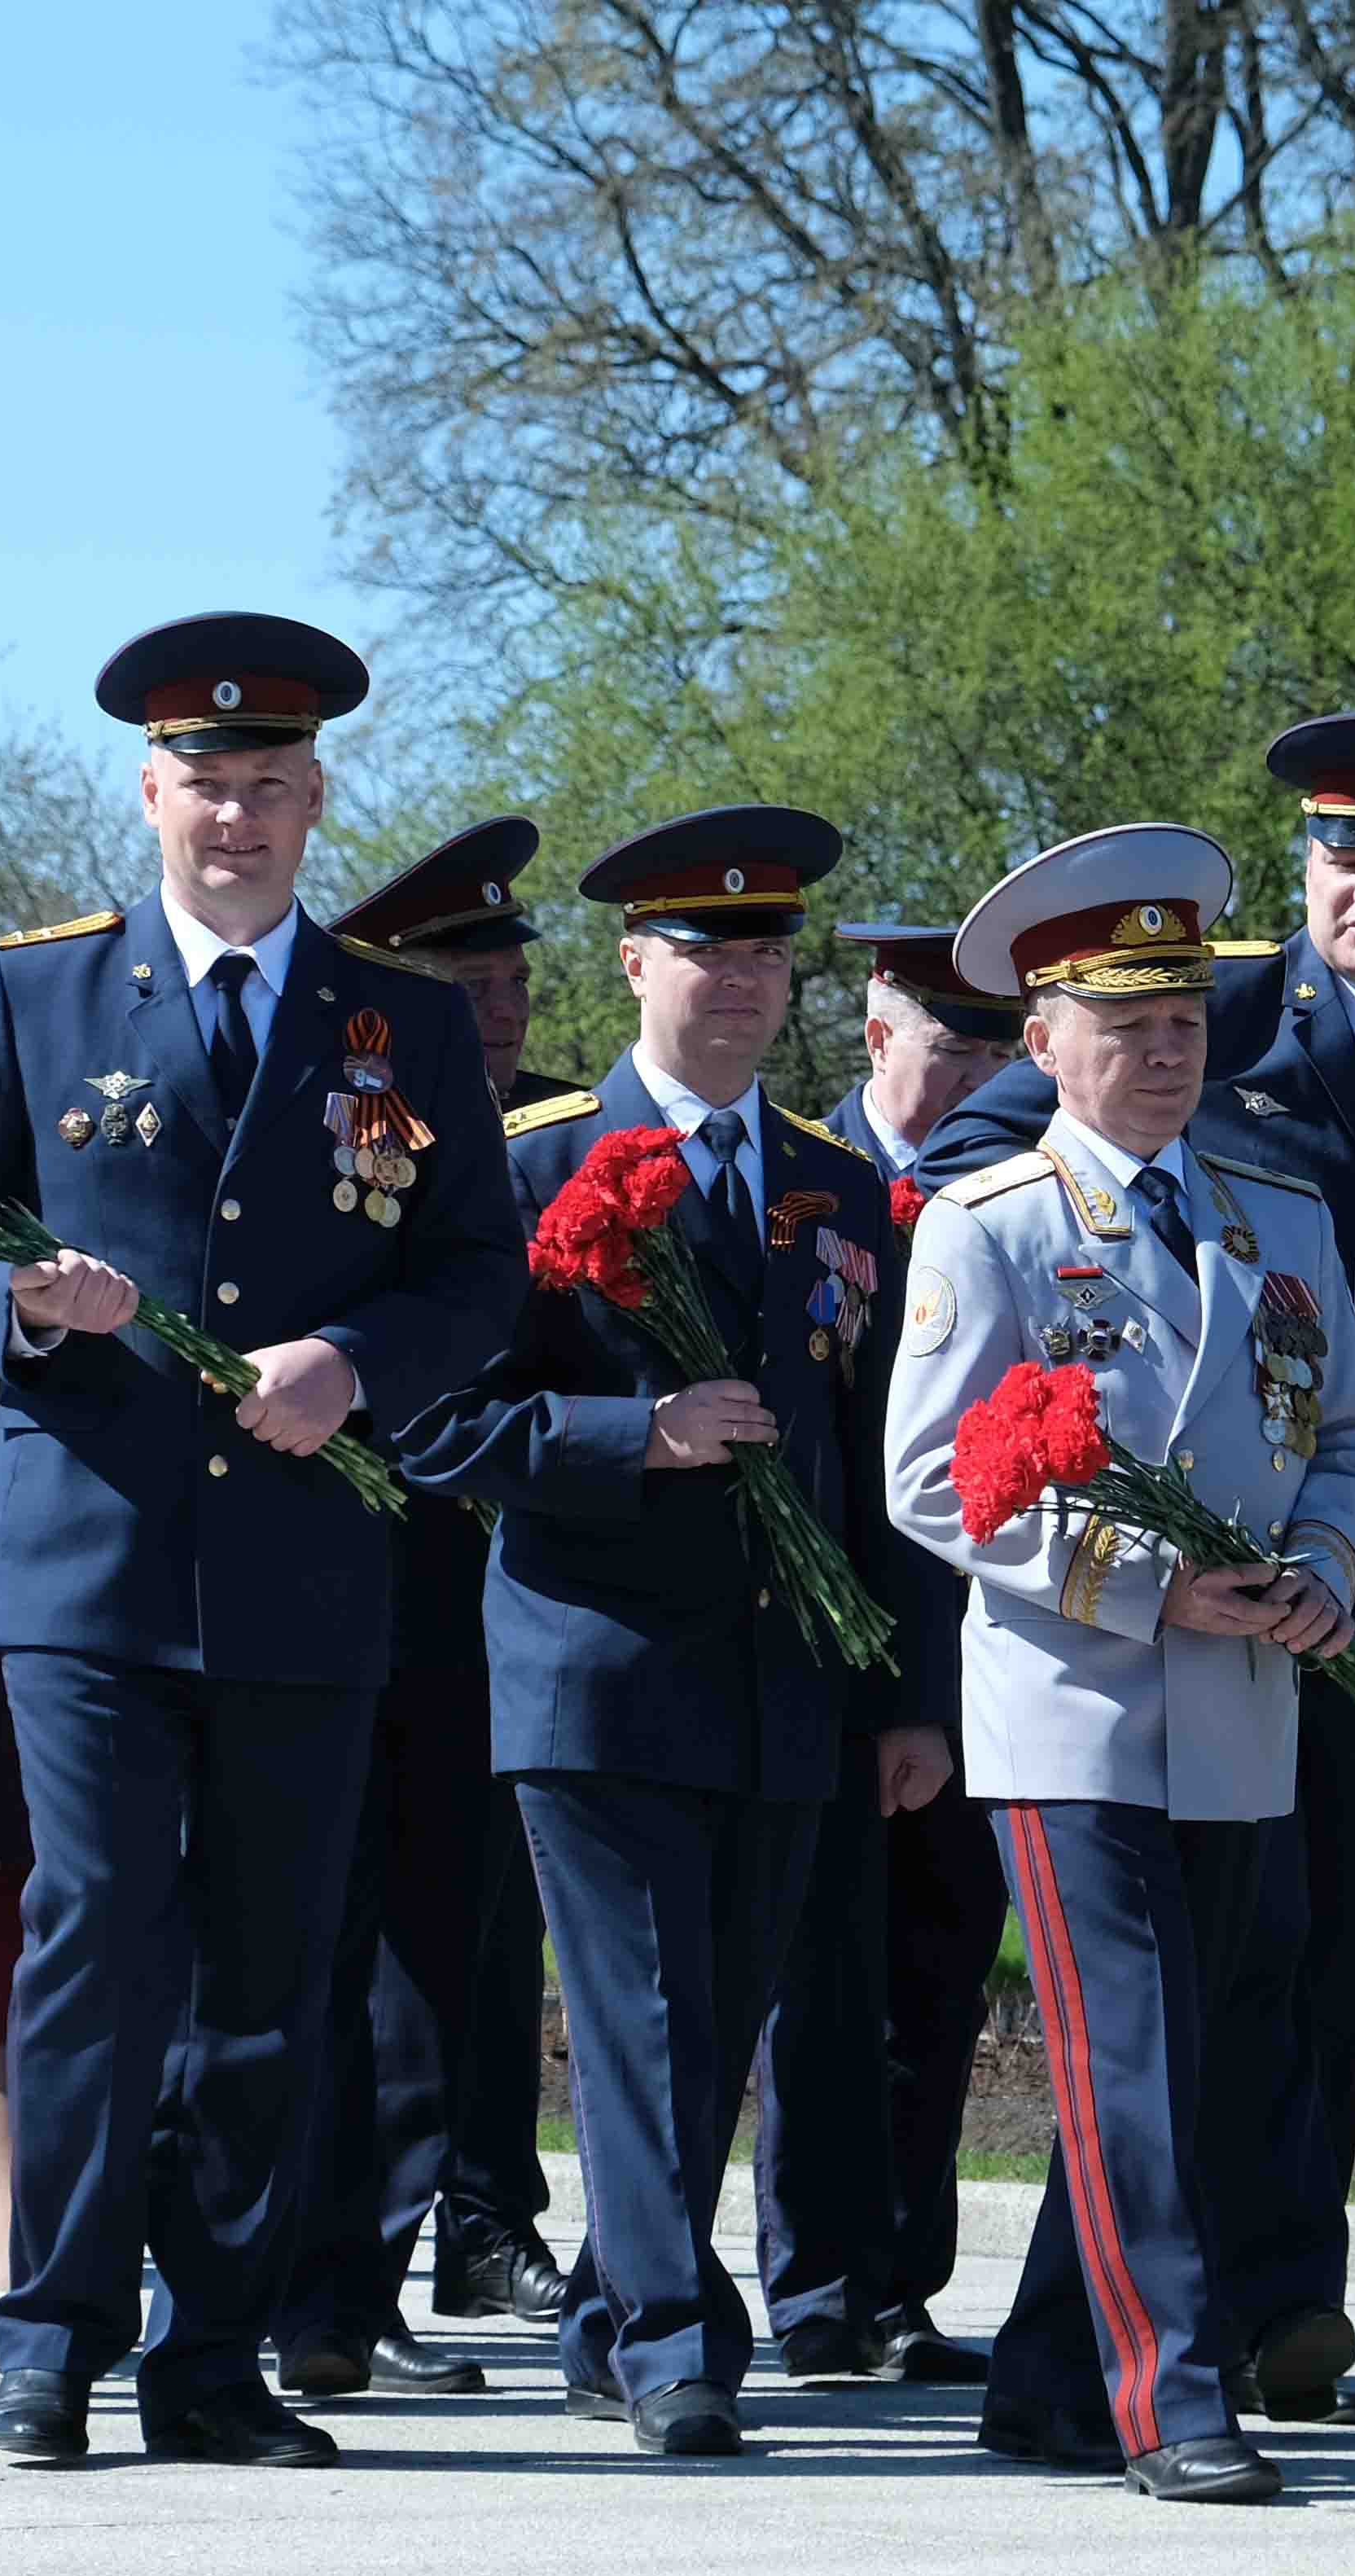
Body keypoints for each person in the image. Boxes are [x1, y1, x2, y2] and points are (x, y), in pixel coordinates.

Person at [0, 612, 522, 2469]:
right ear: (146, 790)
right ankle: (50, 2333)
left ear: (314, 796)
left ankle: (213, 2347)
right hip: (87, 1552)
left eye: (268, 782)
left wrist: (352, 1360)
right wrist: (19, 1298)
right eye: (202, 780)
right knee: (93, 1935)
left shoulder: (396, 1017)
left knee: (267, 1958)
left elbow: (475, 1269)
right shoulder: (39, 995)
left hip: (304, 1564)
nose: (233, 812)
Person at [919, 713, 1355, 2428]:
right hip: (1153, 1581)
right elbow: (990, 1165)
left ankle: (1280, 2299)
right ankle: (1162, 2343)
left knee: (1314, 1954)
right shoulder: (1203, 1010)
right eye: (1340, 853)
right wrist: (1100, 1373)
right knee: (1178, 1986)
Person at [405, 805, 937, 2460]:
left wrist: (905, 1691)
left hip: (788, 1677)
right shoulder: (524, 1165)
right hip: (598, 1663)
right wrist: (630, 1436)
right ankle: (666, 2334)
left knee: (717, 2020)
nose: (740, 978)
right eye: (705, 947)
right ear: (631, 962)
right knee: (640, 2008)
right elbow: (434, 1425)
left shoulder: (842, 1187)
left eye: (767, 949)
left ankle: (601, 2309)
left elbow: (871, 1465)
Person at [884, 821, 1355, 2506]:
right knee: (1132, 2058)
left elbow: (1352, 1441)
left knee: (1188, 2056)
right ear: (1043, 1043)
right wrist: (1144, 1584)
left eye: (1184, 1024)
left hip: (1242, 1712)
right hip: (1077, 1707)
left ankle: (1042, 2380)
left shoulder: (1281, 1216)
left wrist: (1324, 1567)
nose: (1164, 1056)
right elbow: (935, 1474)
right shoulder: (992, 1225)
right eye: (1125, 1027)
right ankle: (1173, 2392)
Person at [277, 817, 574, 2397]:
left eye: (517, 974)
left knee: (473, 1923)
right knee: (347, 1927)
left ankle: (470, 2207)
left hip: (490, 1574)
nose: (506, 1003)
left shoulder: (551, 1129)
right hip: (360, 1558)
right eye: (473, 974)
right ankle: (342, 2266)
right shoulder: (361, 1114)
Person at [750, 919, 1011, 2385]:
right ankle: (811, 2281)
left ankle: (898, 2282)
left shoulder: (1008, 1198)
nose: (970, 1070)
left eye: (994, 1044)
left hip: (962, 1650)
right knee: (812, 1980)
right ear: (874, 1035)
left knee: (933, 1973)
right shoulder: (805, 1183)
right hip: (802, 1645)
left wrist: (925, 1687)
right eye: (946, 1041)